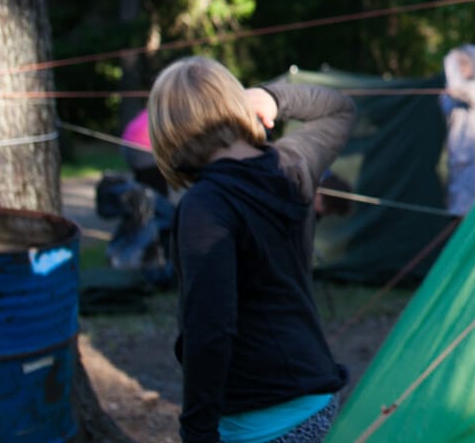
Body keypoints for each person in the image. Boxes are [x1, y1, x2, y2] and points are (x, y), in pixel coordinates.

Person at [147, 56, 354, 443]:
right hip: (316, 400)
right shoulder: (294, 164)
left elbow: (209, 329)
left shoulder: (205, 206)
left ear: (169, 130)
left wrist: (197, 432)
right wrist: (273, 98)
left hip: (262, 420)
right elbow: (338, 108)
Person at [439, 43, 475, 225]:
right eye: (459, 64)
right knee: (457, 209)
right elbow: (448, 105)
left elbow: (461, 91)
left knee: (470, 211)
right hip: (457, 158)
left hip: (473, 160)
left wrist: (450, 62)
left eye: (464, 64)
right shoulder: (456, 94)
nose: (461, 69)